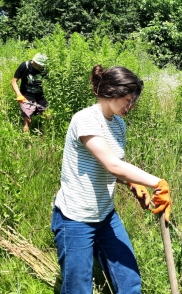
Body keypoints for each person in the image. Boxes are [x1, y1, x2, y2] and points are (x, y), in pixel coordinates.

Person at [51, 65, 172, 294]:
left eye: (133, 101)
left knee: (130, 282)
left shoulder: (118, 124)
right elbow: (112, 164)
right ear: (111, 92)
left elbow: (114, 169)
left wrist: (133, 183)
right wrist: (157, 182)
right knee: (77, 290)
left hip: (105, 215)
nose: (131, 106)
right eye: (128, 100)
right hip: (74, 217)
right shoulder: (85, 120)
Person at [10, 53, 49, 132]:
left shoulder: (45, 69)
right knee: (27, 120)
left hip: (41, 96)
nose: (40, 67)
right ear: (34, 61)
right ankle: (26, 140)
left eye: (41, 65)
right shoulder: (25, 66)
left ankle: (45, 136)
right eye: (38, 64)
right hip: (26, 96)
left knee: (47, 116)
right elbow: (14, 81)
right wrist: (19, 95)